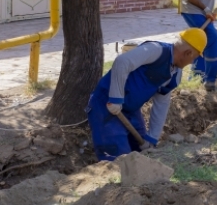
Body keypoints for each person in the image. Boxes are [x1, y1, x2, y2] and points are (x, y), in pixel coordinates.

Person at [86, 28, 207, 161]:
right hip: (106, 105)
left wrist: (152, 138)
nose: (191, 63)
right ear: (187, 53)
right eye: (193, 58)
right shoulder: (155, 51)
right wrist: (116, 98)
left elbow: (162, 103)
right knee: (118, 159)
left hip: (131, 111)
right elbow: (122, 63)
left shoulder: (175, 75)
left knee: (142, 155)